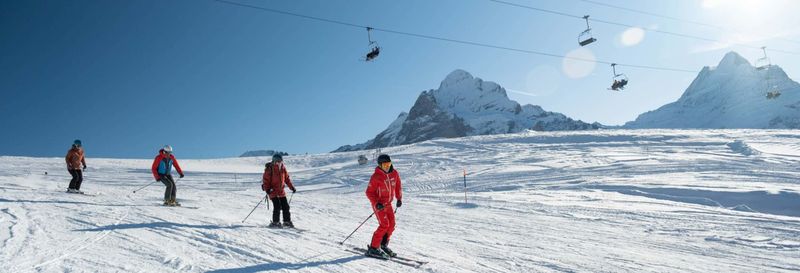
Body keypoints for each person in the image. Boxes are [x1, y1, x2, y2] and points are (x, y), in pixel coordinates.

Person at [365, 154, 403, 259]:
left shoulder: (394, 173)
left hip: (388, 204)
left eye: (388, 164)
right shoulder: (376, 176)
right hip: (379, 205)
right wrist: (376, 203)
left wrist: (399, 198)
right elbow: (369, 192)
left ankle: (383, 245)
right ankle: (373, 247)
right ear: (380, 165)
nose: (387, 167)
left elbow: (398, 186)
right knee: (384, 224)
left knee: (392, 225)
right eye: (384, 165)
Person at [261, 154, 296, 228]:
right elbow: (266, 180)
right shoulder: (269, 168)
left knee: (286, 207)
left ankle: (287, 222)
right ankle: (275, 222)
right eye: (277, 161)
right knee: (277, 206)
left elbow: (287, 179)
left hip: (281, 191)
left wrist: (291, 187)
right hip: (272, 191)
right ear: (274, 161)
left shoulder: (283, 168)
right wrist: (267, 189)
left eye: (280, 161)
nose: (279, 162)